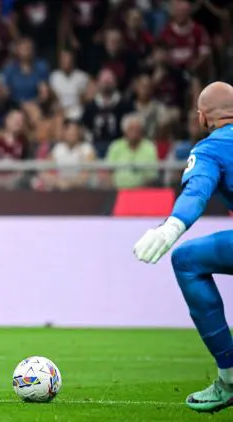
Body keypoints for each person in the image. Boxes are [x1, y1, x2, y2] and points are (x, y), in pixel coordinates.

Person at [133, 81, 233, 413]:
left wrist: (172, 227)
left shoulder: (210, 148)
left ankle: (230, 377)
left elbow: (197, 191)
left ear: (202, 117)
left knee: (187, 259)